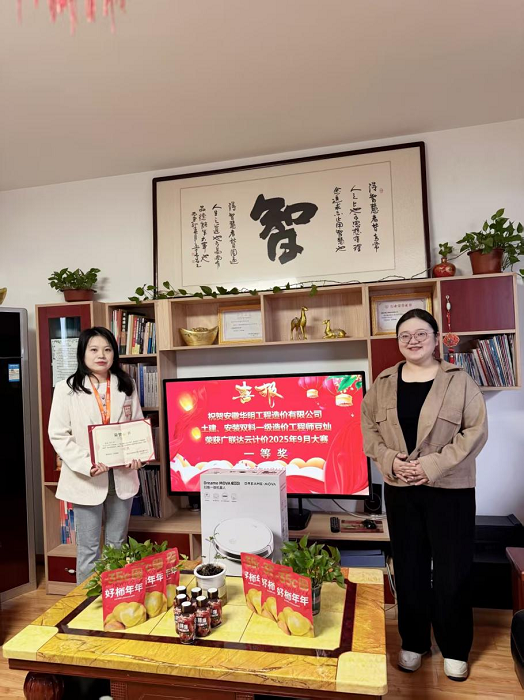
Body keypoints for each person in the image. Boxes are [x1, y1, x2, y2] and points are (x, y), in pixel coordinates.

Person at [361, 309, 487, 682]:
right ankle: (414, 642)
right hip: (401, 490)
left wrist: (430, 466)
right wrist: (390, 461)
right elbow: (368, 429)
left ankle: (455, 648)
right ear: (398, 342)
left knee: (452, 570)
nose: (413, 340)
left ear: (435, 338)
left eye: (420, 334)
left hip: (450, 490)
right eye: (405, 335)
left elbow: (475, 432)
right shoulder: (384, 382)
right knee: (409, 568)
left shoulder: (459, 380)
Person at [48, 327, 143, 584]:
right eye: (94, 349)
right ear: (83, 353)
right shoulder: (66, 388)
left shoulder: (126, 385)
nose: (101, 355)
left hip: (122, 474)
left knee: (117, 544)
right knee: (88, 548)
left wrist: (138, 455)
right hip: (87, 477)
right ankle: (86, 603)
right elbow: (58, 434)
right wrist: (86, 463)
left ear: (114, 354)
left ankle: (115, 597)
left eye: (107, 349)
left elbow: (136, 425)